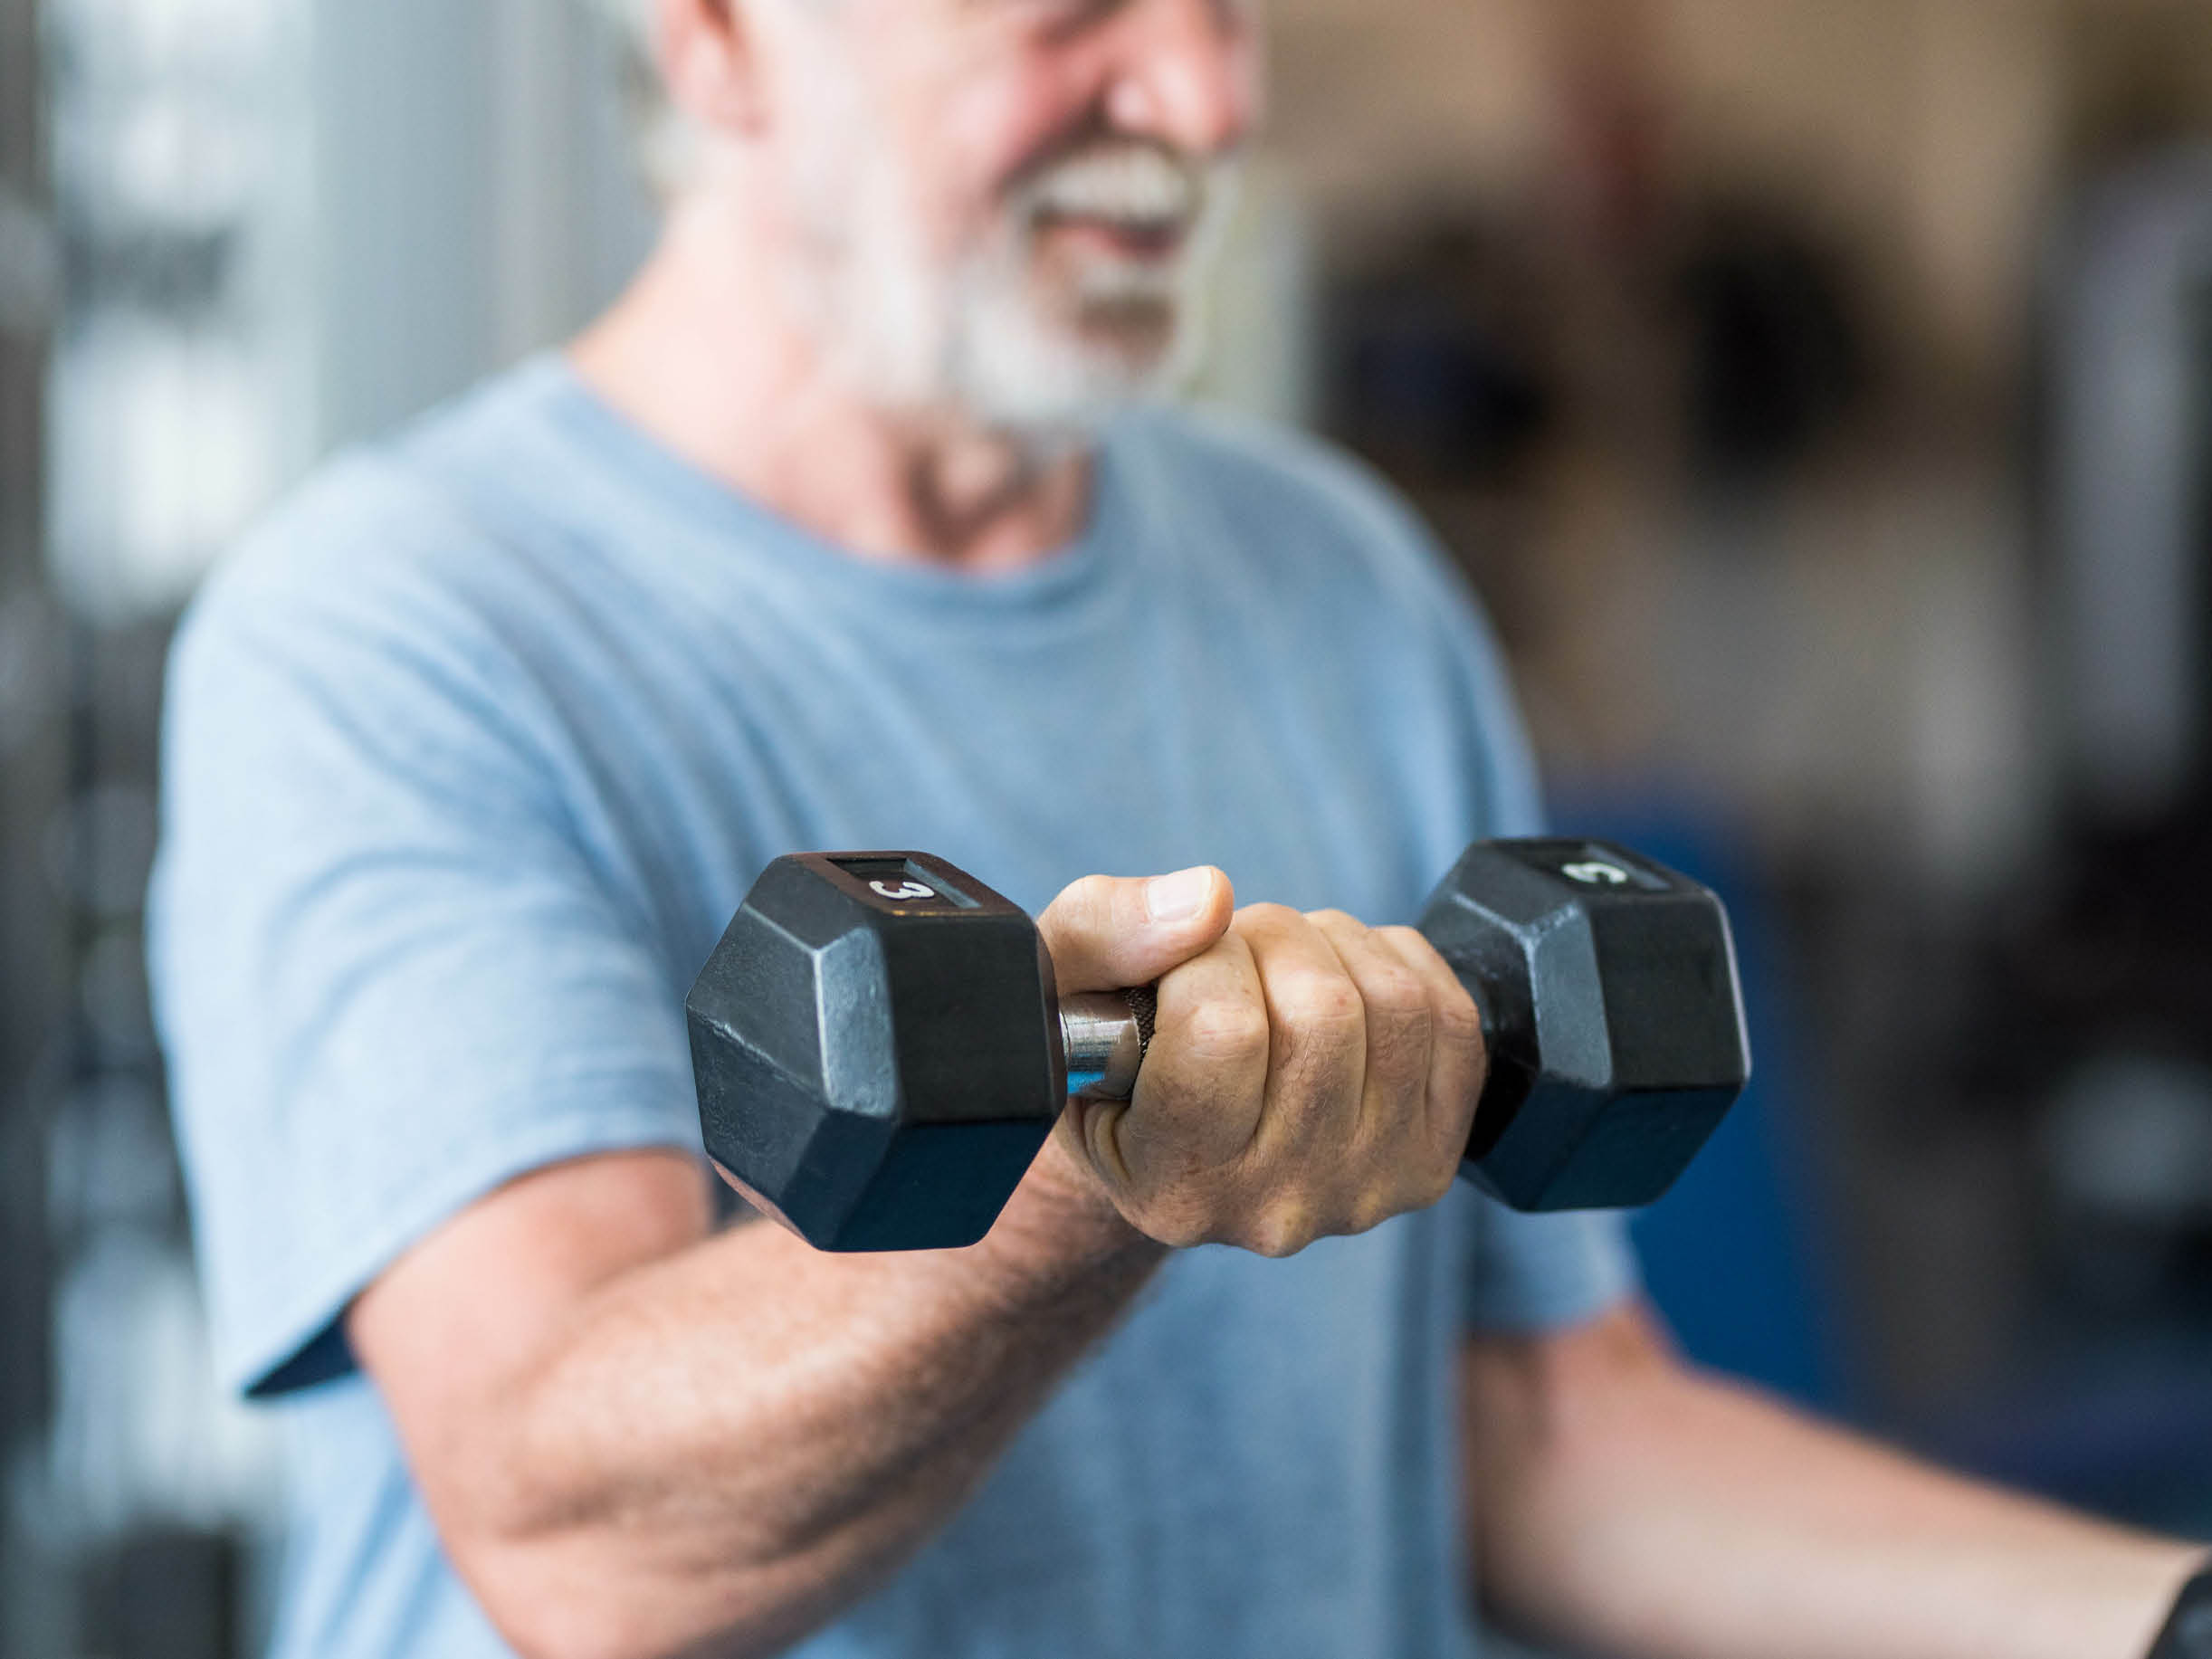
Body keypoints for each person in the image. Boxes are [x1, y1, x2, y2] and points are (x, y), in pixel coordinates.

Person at [149, 2, 2205, 1656]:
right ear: (720, 40)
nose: (1206, 98)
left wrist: (2162, 1611)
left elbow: (1540, 1429)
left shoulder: (1340, 577)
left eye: (1224, 10)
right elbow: (581, 1545)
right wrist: (1095, 1183)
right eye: (1078, 17)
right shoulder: (401, 625)